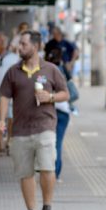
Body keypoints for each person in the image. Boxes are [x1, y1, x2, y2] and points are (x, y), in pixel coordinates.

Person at [0, 30, 69, 210]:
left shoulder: (50, 69)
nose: (19, 48)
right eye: (20, 44)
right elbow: (4, 96)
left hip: (45, 126)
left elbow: (65, 93)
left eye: (24, 44)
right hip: (20, 129)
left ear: (35, 47)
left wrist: (51, 97)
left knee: (47, 167)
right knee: (25, 172)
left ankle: (47, 207)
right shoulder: (13, 71)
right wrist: (2, 120)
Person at [45, 47, 71, 181]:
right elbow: (70, 88)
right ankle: (55, 173)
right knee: (58, 143)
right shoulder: (63, 70)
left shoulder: (43, 72)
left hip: (47, 111)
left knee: (46, 143)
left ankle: (48, 171)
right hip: (63, 111)